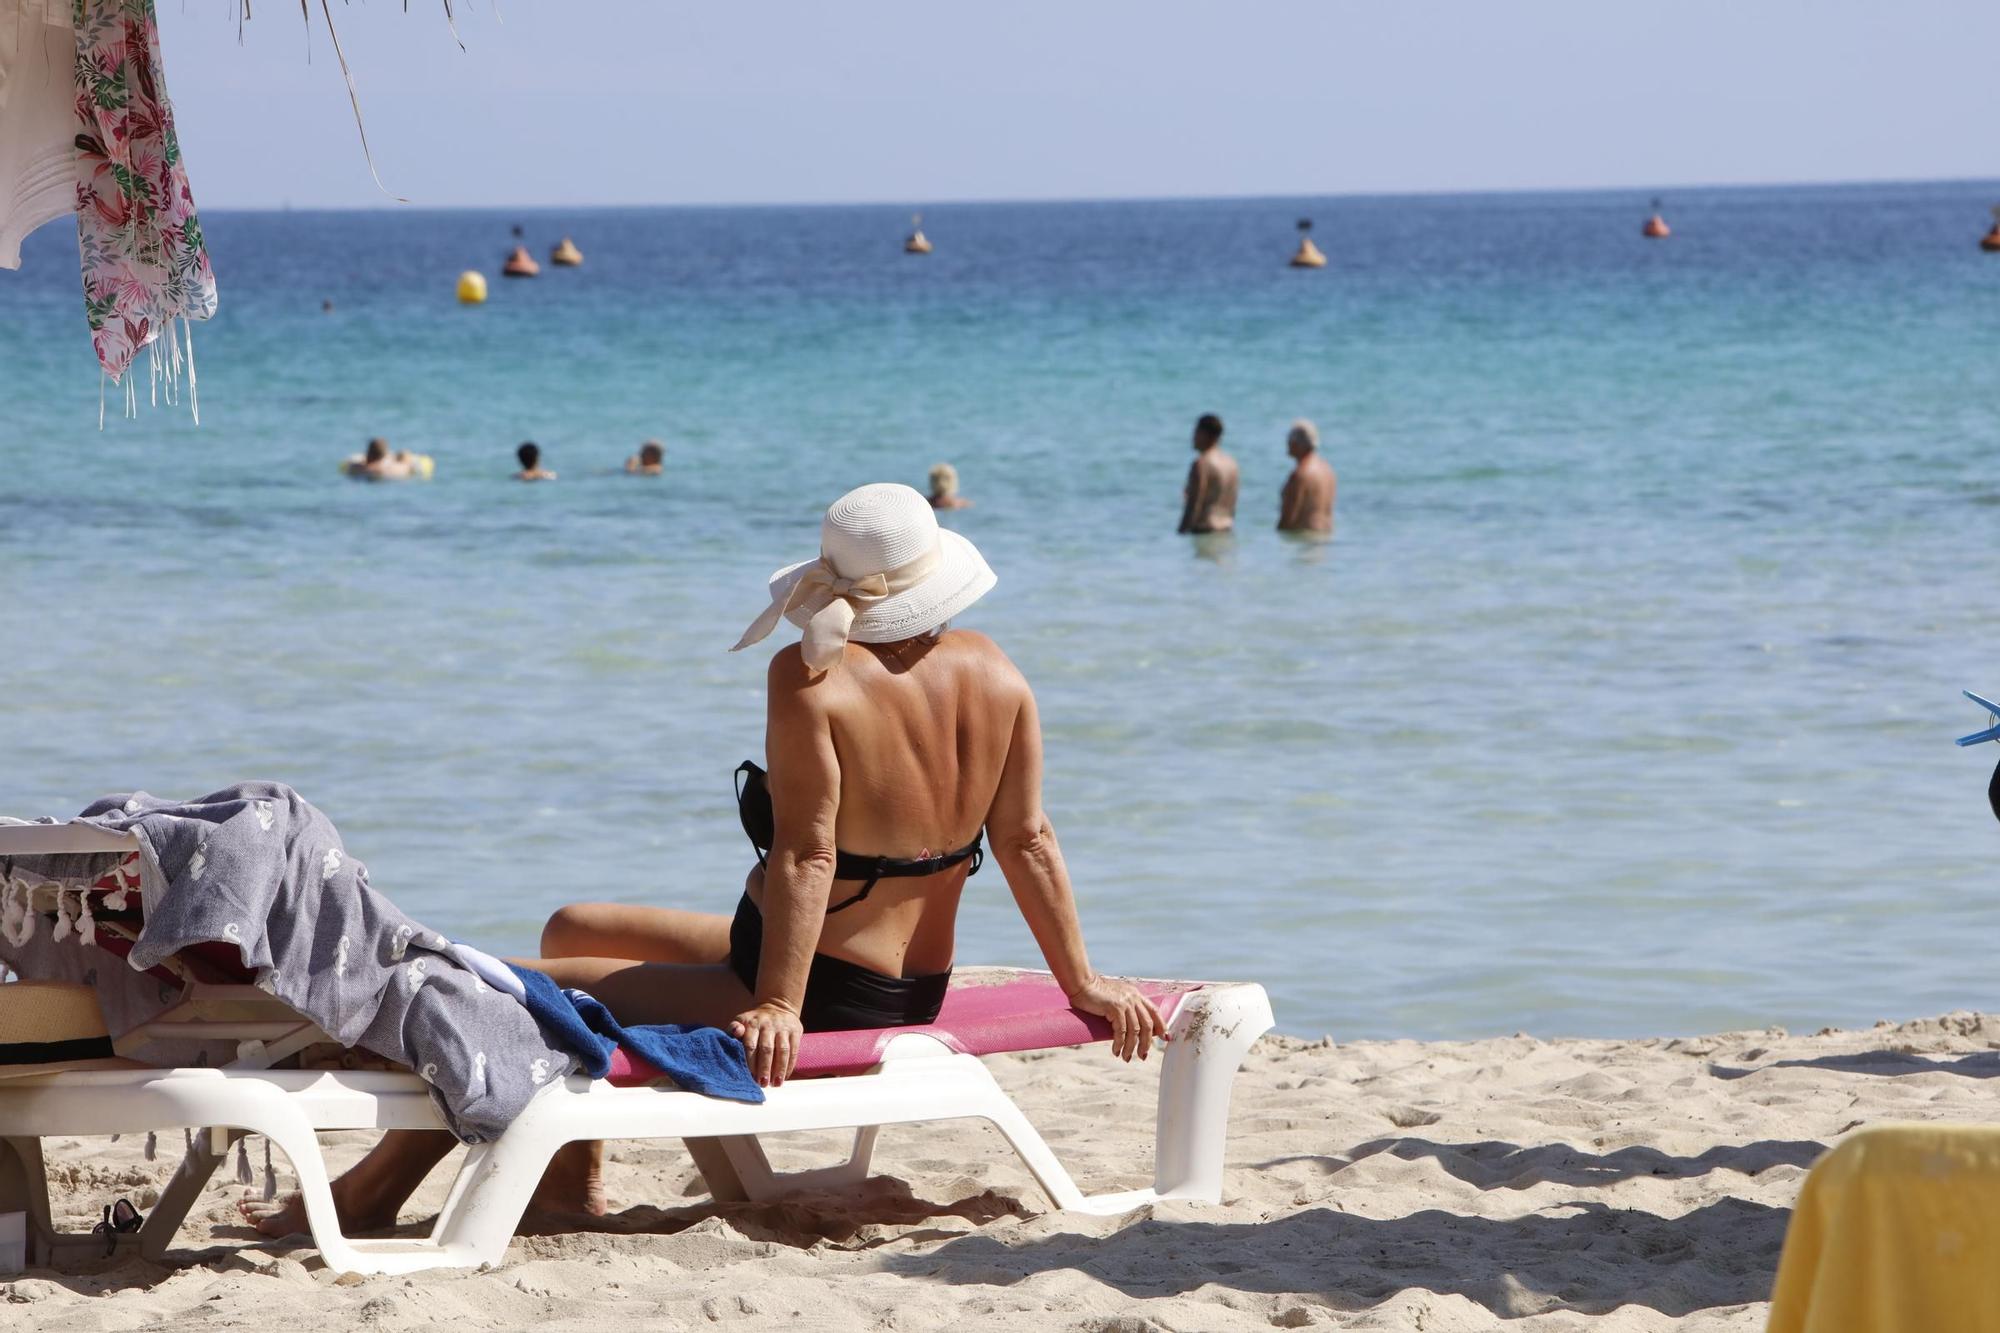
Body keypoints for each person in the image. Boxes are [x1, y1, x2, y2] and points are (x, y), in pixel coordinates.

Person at [239, 482, 1166, 1235]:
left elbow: (807, 853)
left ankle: (370, 1193)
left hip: (813, 980)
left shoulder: (814, 678)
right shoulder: (997, 670)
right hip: (889, 975)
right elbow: (1027, 839)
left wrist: (778, 1004)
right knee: (574, 927)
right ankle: (570, 1185)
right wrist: (1081, 981)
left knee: (499, 993)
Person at [1177, 414, 1238, 534]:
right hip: (1227, 532)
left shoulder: (1201, 464)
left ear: (1204, 434)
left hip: (1205, 531)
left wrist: (1181, 532)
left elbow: (1194, 504)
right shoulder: (1232, 464)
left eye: (1196, 432)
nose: (1193, 437)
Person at [1276, 419, 1335, 534]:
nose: (1288, 442)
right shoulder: (1328, 470)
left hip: (1304, 538)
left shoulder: (1301, 473)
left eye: (1290, 438)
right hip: (1325, 535)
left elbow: (1288, 516)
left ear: (1297, 443)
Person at [342, 438, 412, 481]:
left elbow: (349, 463)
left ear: (368, 453)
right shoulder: (391, 468)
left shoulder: (356, 467)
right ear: (384, 455)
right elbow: (407, 466)